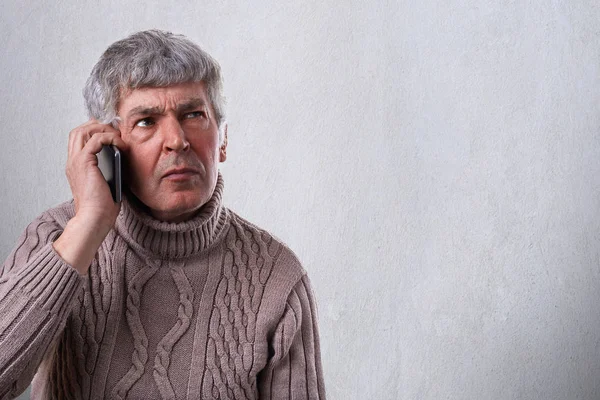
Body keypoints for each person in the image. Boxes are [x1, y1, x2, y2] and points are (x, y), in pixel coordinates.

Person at [0, 30, 326, 400]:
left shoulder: (277, 277)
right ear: (107, 146)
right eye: (146, 121)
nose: (177, 139)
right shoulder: (57, 237)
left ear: (223, 141)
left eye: (193, 115)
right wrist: (89, 223)